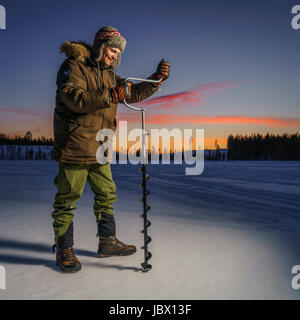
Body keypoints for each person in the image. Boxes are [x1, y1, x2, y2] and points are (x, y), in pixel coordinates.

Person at [51, 26, 170, 273]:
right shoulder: (74, 66)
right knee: (67, 199)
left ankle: (107, 241)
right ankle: (64, 249)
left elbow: (131, 93)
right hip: (75, 145)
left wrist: (156, 80)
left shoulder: (108, 74)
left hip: (100, 147)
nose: (114, 55)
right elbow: (75, 99)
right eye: (111, 49)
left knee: (106, 193)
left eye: (117, 52)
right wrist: (110, 95)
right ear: (100, 46)